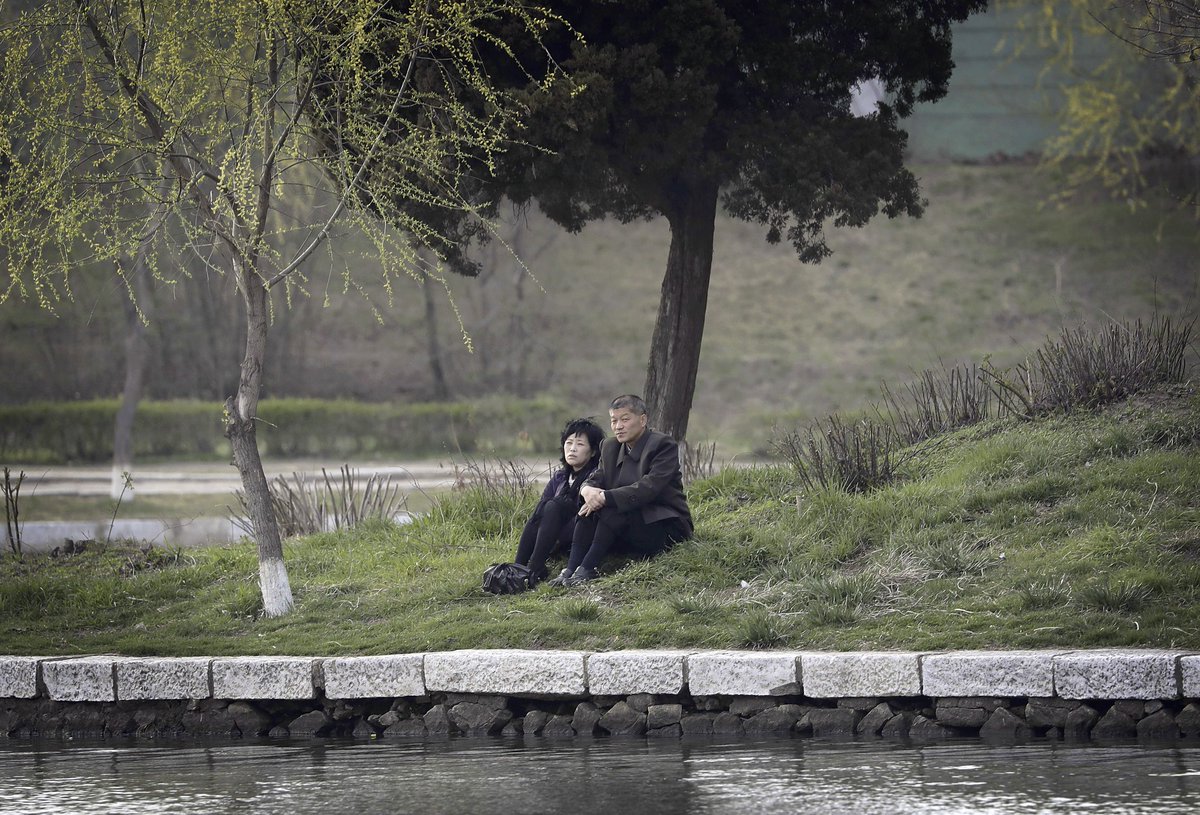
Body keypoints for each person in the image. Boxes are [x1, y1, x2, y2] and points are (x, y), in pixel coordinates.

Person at [548, 394, 693, 587]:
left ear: (642, 420)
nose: (618, 426)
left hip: (665, 526)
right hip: (626, 525)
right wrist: (587, 490)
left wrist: (605, 497)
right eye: (614, 421)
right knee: (590, 506)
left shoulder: (662, 445)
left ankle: (588, 568)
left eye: (625, 419)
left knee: (611, 505)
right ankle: (570, 569)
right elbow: (597, 477)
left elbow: (649, 487)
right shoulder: (609, 446)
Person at [512, 417, 605, 587]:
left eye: (580, 444)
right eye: (568, 443)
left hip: (580, 534)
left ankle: (534, 569)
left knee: (554, 505)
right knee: (544, 507)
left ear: (592, 451)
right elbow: (541, 514)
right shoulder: (560, 477)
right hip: (556, 535)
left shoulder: (596, 475)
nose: (572, 449)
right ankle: (517, 567)